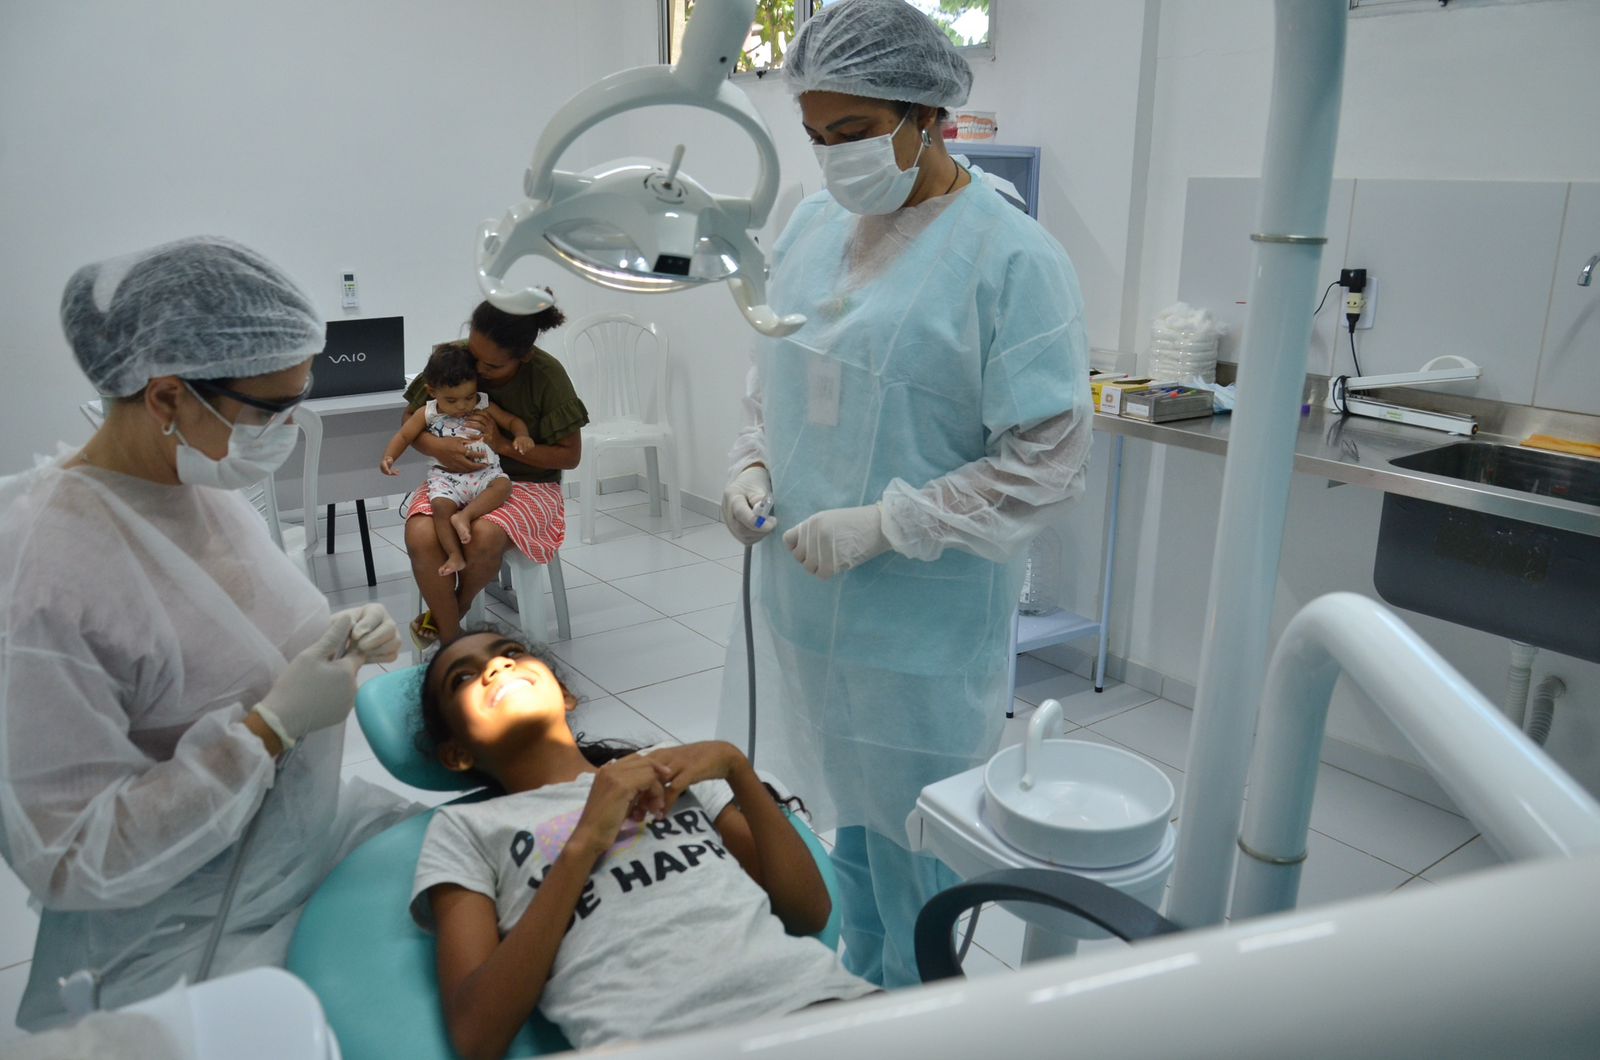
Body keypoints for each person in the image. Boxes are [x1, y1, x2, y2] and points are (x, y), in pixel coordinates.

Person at [716, 0, 1094, 990]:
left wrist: (893, 522)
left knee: (916, 840)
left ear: (929, 114)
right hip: (805, 603)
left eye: (852, 130)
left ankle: (917, 1009)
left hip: (920, 628)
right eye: (816, 136)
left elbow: (1048, 457)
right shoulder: (813, 227)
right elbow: (776, 377)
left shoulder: (1012, 258)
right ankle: (858, 988)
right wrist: (752, 464)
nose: (833, 157)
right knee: (846, 819)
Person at [0, 236, 419, 1029]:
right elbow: (71, 857)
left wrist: (333, 639)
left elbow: (229, 642)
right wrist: (268, 730)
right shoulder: (46, 574)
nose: (287, 429)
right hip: (186, 937)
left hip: (296, 854)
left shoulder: (200, 488)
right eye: (270, 410)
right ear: (167, 398)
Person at [411, 631, 876, 1056]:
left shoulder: (665, 768)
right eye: (462, 678)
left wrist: (735, 767)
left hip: (823, 1008)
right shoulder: (466, 829)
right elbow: (478, 1036)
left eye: (511, 652)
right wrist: (584, 841)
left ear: (566, 694)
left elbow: (809, 914)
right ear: (457, 754)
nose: (498, 666)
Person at [402, 302, 588, 648]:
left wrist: (502, 445)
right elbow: (411, 421)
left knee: (485, 534)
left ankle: (449, 620)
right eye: (474, 356)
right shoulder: (455, 360)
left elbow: (570, 456)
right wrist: (438, 448)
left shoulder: (547, 377)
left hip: (528, 483)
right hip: (456, 477)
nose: (479, 371)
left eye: (493, 365)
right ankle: (453, 639)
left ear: (524, 356)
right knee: (420, 533)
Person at [382, 343, 535, 578]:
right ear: (432, 391)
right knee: (440, 508)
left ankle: (465, 516)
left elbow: (512, 421)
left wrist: (522, 435)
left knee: (503, 486)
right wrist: (389, 457)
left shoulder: (482, 404)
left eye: (468, 397)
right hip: (447, 478)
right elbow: (405, 435)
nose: (462, 406)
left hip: (485, 473)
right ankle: (455, 554)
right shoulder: (428, 412)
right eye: (451, 400)